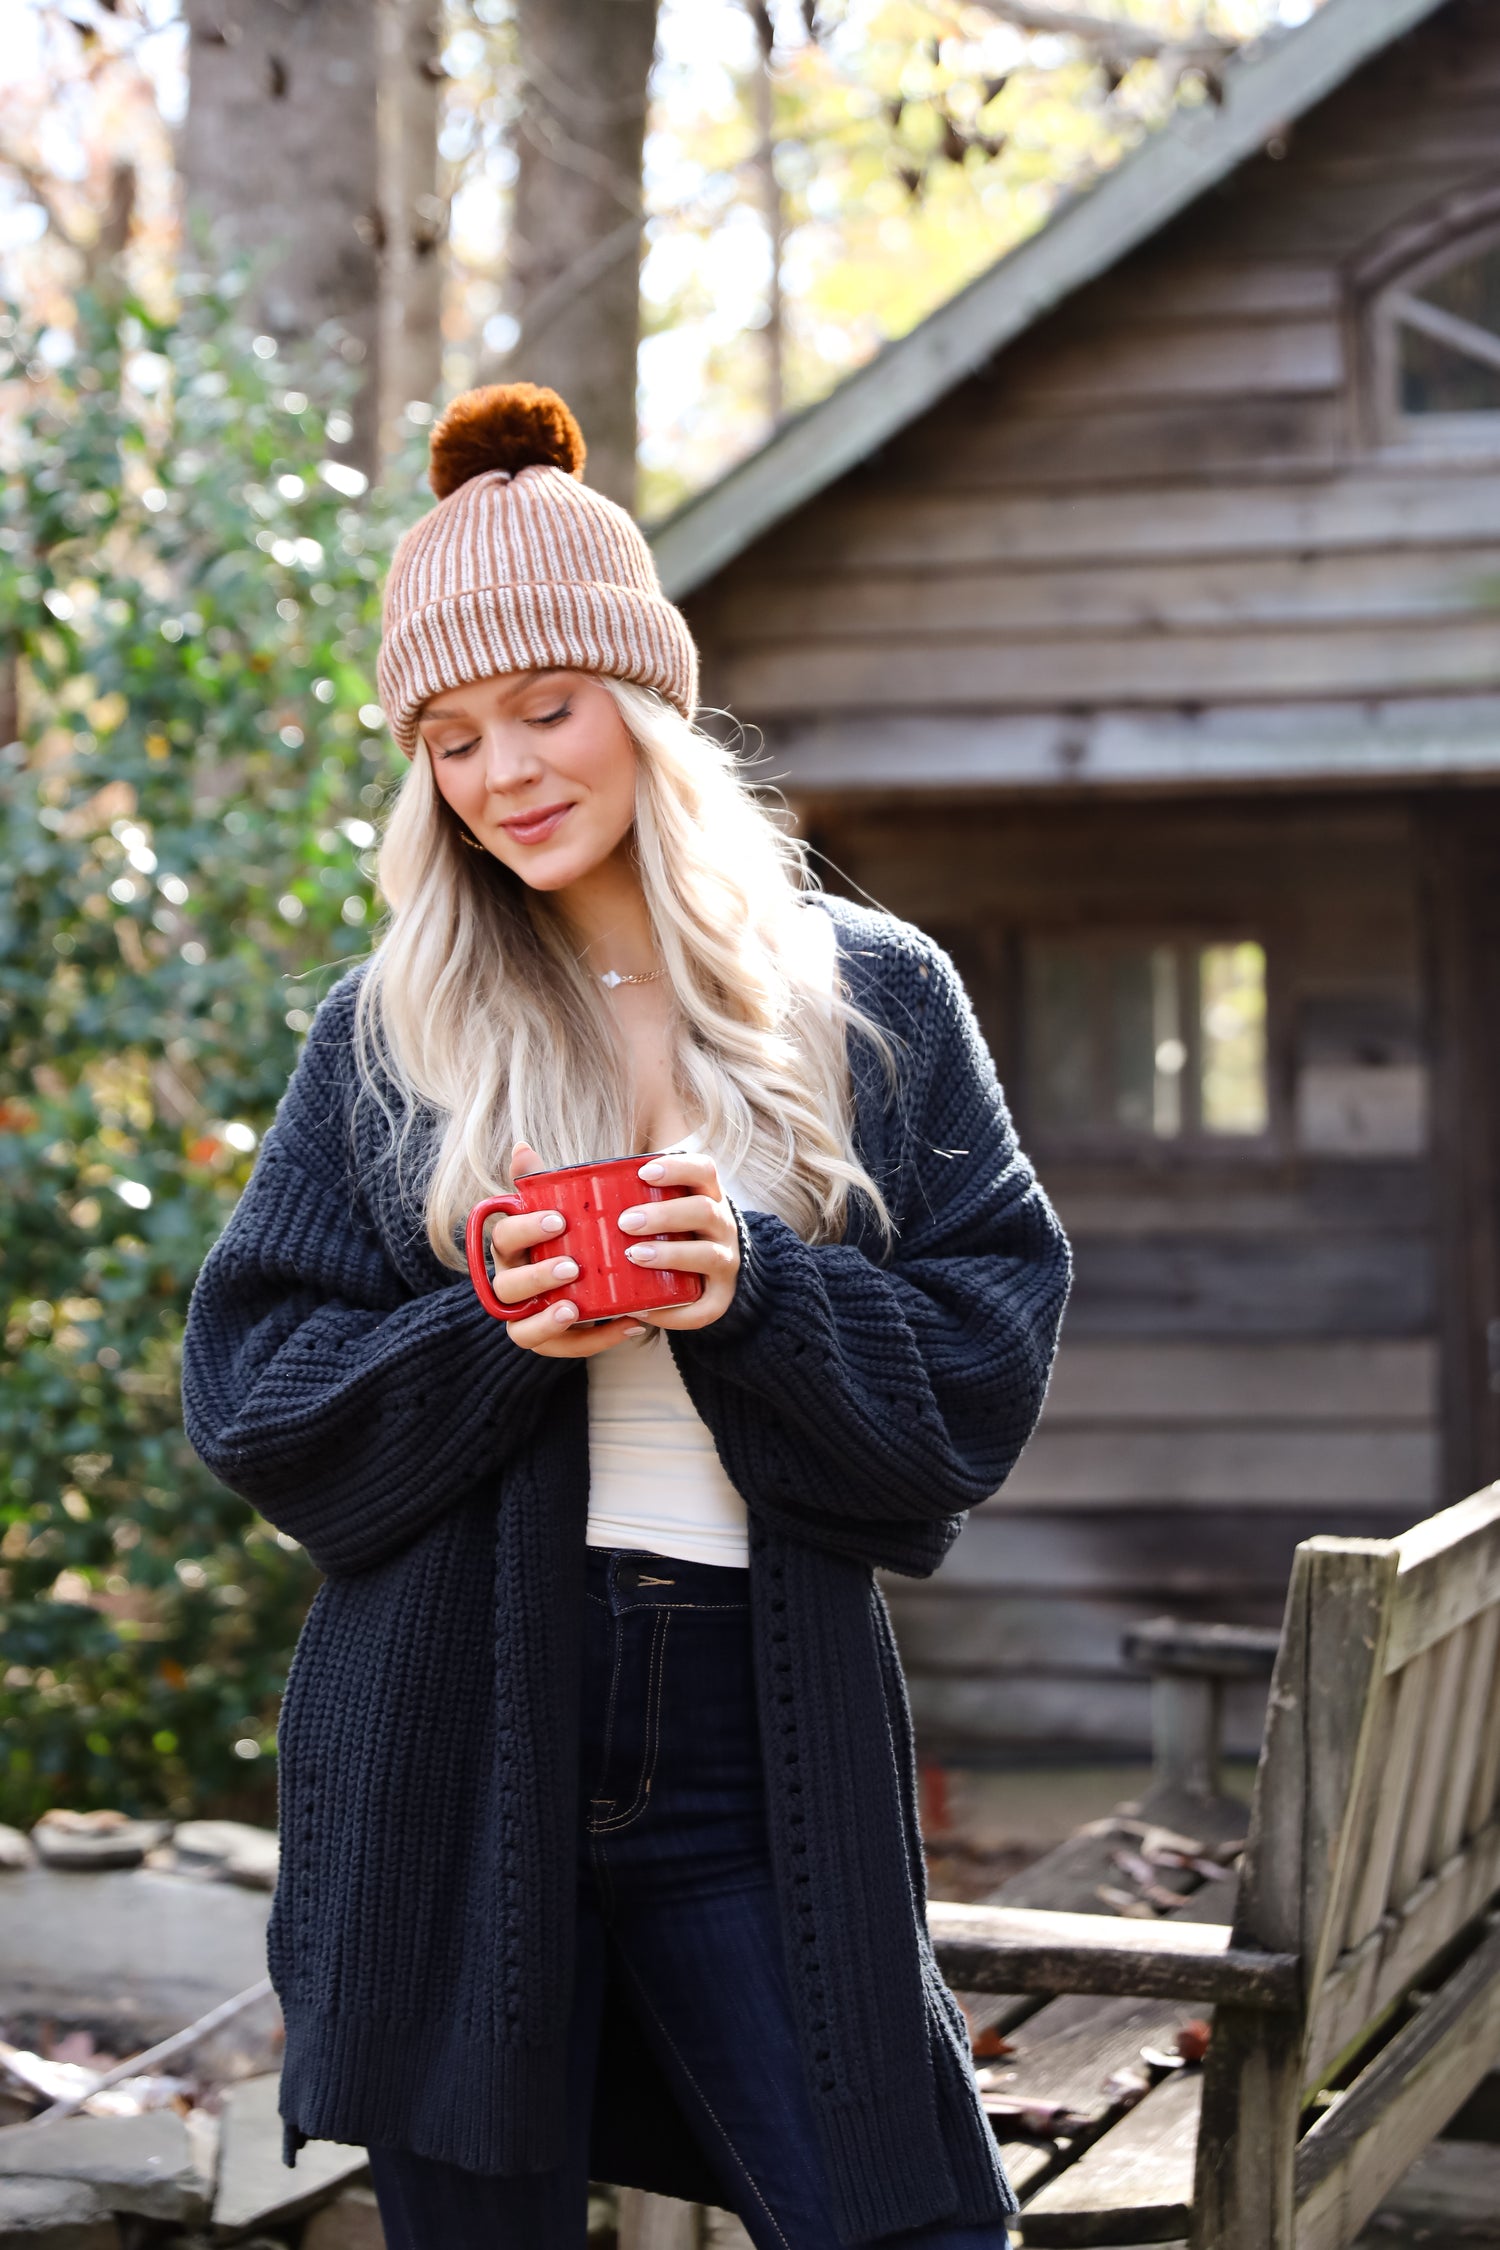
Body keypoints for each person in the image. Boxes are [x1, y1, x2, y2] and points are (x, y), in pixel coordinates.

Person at [180, 382, 1071, 2250]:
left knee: (907, 2225)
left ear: (646, 701)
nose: (502, 771)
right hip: (446, 1724)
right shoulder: (389, 1031)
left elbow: (979, 1360)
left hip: (754, 1717)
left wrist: (757, 1293)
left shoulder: (867, 995)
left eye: (543, 706)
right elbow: (258, 1393)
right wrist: (500, 1331)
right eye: (448, 734)